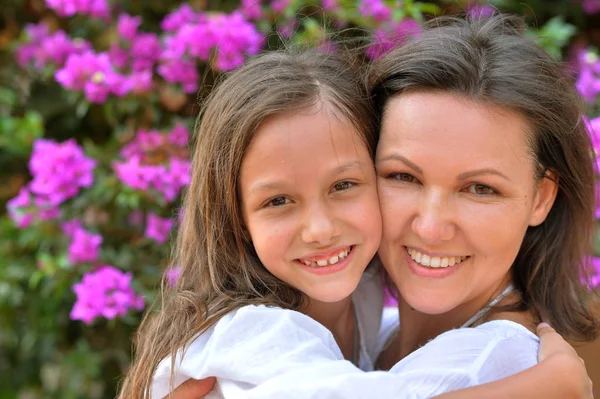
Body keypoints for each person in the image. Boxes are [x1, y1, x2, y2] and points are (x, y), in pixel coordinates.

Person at [119, 15, 597, 399]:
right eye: (403, 176)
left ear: (541, 197)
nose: (430, 227)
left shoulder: (496, 361)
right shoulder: (364, 324)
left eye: (480, 189)